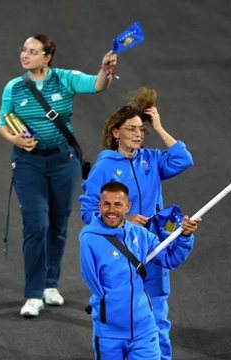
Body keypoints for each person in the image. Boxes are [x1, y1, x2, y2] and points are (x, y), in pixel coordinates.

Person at [0, 33, 117, 317]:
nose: (25, 55)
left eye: (32, 51)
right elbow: (3, 123)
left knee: (58, 224)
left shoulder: (64, 78)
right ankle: (33, 293)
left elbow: (98, 86)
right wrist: (16, 141)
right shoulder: (14, 87)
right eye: (23, 50)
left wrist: (106, 69)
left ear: (47, 57)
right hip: (29, 164)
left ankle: (51, 284)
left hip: (64, 161)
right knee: (35, 225)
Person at [79, 87, 194, 359]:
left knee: (158, 316)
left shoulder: (151, 159)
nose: (138, 134)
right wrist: (123, 219)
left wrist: (160, 127)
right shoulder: (104, 166)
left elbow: (184, 159)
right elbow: (88, 210)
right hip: (122, 250)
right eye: (131, 129)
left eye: (142, 130)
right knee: (128, 311)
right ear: (115, 132)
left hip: (153, 245)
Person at [79, 181, 200, 359]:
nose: (111, 210)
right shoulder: (89, 238)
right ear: (99, 205)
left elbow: (170, 259)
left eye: (118, 204)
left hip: (145, 329)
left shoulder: (140, 235)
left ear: (127, 207)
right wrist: (108, 309)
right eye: (106, 204)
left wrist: (185, 236)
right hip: (109, 333)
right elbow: (92, 280)